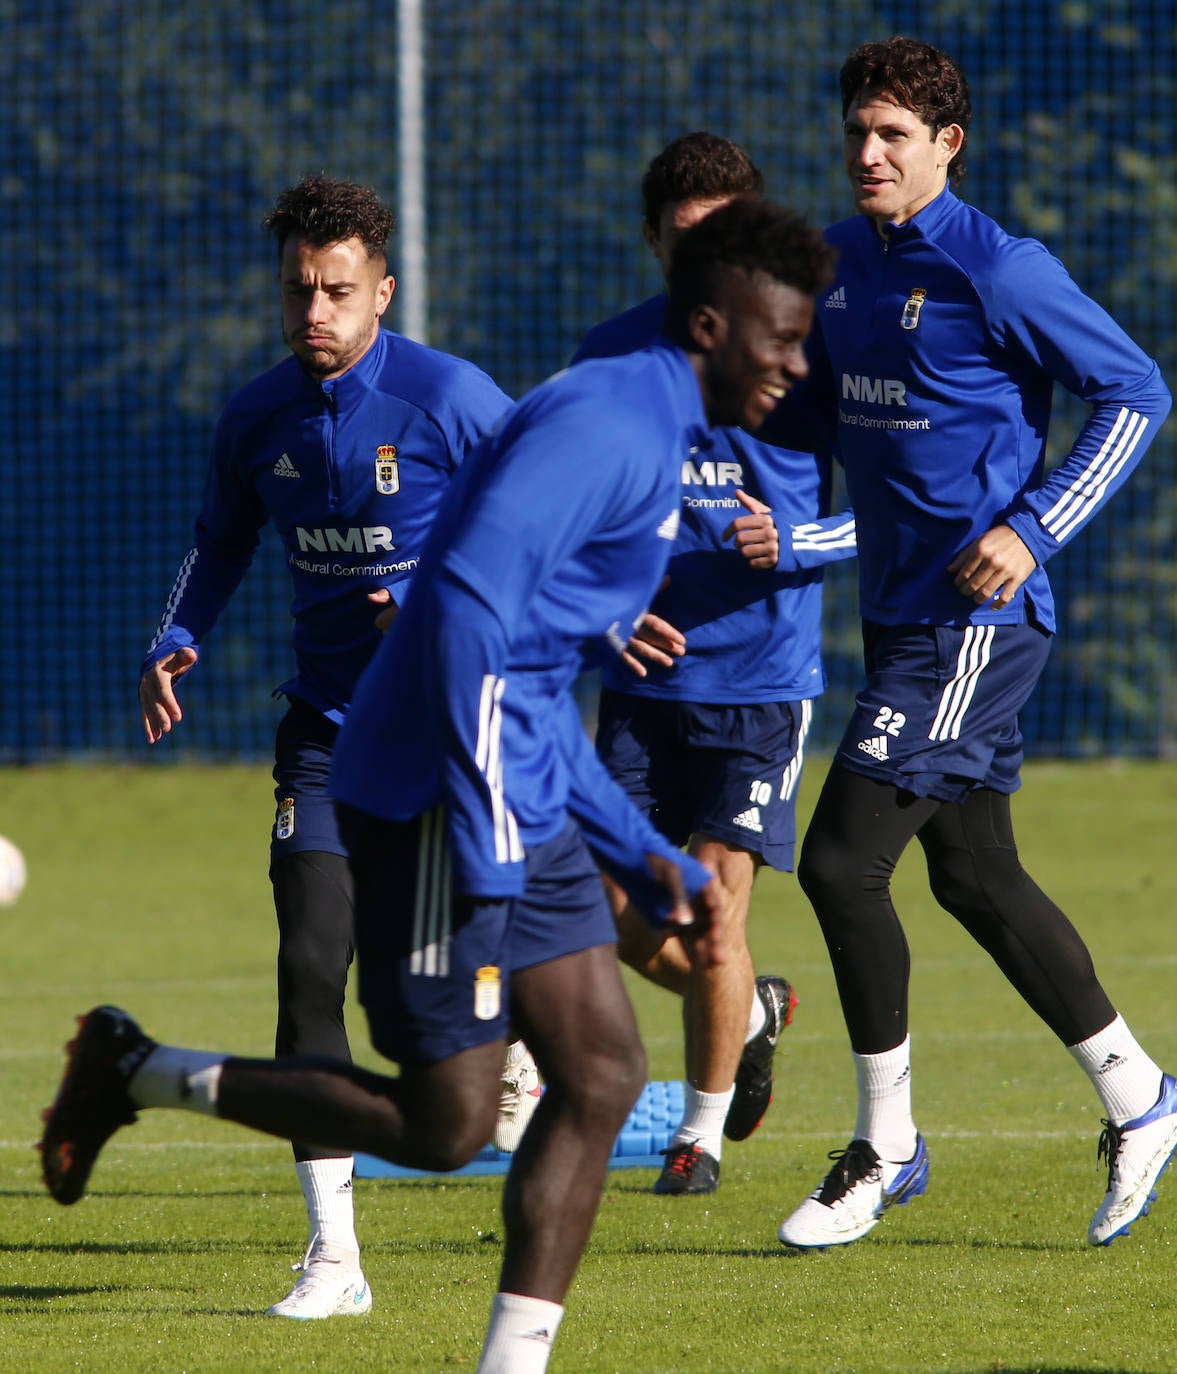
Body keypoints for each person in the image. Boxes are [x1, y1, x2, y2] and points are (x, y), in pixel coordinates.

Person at [42, 197, 836, 1372]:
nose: (798, 361)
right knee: (446, 1119)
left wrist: (635, 848)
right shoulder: (611, 424)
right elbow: (466, 617)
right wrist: (500, 840)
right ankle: (135, 1071)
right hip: (428, 793)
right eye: (782, 336)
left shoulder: (634, 419)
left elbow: (525, 666)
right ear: (713, 324)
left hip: (507, 779)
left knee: (605, 1072)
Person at [769, 36, 1175, 1251]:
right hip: (899, 617)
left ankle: (885, 1145)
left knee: (841, 862)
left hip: (975, 626)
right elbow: (810, 425)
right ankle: (1140, 1097)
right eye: (856, 132)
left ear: (948, 145)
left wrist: (1033, 529)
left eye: (894, 135)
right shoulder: (835, 265)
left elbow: (1138, 391)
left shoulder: (1001, 268)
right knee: (974, 876)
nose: (868, 154)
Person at [136, 174, 513, 1316]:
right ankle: (335, 1259)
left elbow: (541, 522)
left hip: (451, 734)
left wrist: (454, 610)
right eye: (299, 288)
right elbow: (217, 542)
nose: (314, 309)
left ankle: (538, 1049)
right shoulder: (258, 417)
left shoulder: (452, 400)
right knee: (310, 968)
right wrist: (176, 633)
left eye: (337, 290)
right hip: (327, 737)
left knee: (433, 1013)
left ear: (381, 291)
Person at [572, 132, 856, 1194]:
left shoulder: (808, 351)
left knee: (716, 905)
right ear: (652, 243)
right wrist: (604, 615)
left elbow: (895, 506)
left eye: (726, 237)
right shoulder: (609, 355)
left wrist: (796, 541)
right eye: (686, 241)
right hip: (639, 681)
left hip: (757, 681)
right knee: (599, 905)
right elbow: (571, 515)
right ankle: (753, 1010)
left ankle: (695, 1137)